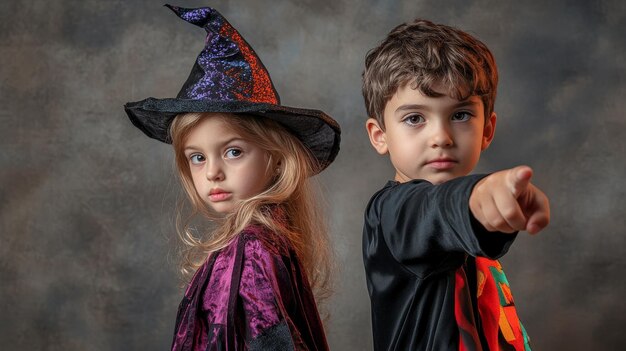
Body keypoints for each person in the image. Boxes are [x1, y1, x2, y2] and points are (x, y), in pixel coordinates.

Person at [124, 5, 340, 350]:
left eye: (233, 151)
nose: (212, 172)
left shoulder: (252, 252)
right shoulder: (267, 242)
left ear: (276, 158)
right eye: (197, 157)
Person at [361, 19, 550, 350]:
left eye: (460, 115)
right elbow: (435, 211)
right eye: (414, 118)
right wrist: (478, 198)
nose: (441, 138)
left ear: (487, 130)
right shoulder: (390, 215)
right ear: (380, 136)